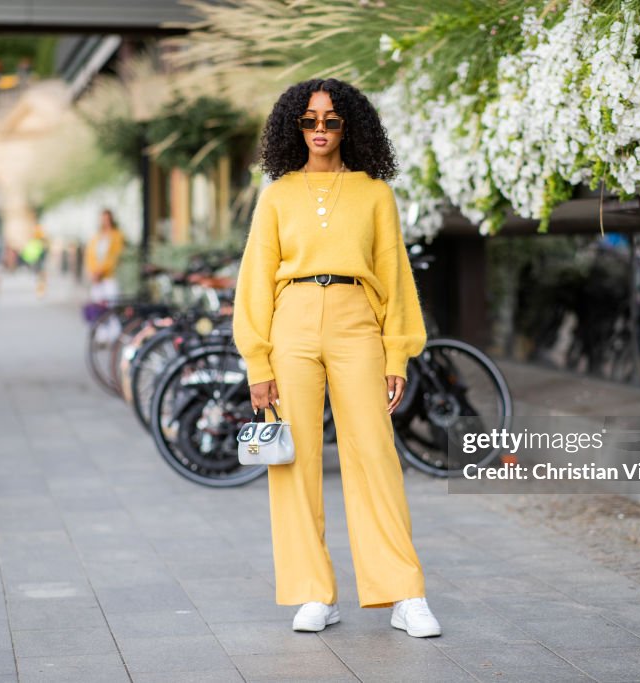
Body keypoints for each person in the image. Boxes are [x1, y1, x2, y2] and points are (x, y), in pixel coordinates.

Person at [232, 79, 440, 637]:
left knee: (374, 455)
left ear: (350, 126)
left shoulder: (375, 193)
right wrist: (258, 361)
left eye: (330, 121)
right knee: (294, 460)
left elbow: (395, 276)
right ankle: (312, 592)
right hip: (290, 324)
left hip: (357, 322)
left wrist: (397, 351)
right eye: (308, 121)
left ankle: (403, 592)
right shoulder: (276, 195)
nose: (319, 131)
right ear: (292, 128)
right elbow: (254, 279)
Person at [85, 209, 124, 303]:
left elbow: (115, 256)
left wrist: (101, 271)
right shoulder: (96, 236)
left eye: (107, 219)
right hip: (96, 277)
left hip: (109, 276)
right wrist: (92, 272)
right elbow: (90, 255)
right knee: (97, 305)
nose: (105, 222)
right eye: (103, 219)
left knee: (112, 304)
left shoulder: (117, 235)